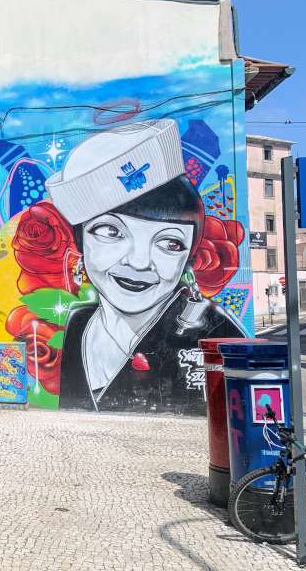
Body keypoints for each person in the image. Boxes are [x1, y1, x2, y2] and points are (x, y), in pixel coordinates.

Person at [45, 119, 245, 414]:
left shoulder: (214, 333)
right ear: (80, 241)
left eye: (169, 244)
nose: (139, 262)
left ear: (189, 255)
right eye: (111, 232)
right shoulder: (80, 323)